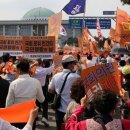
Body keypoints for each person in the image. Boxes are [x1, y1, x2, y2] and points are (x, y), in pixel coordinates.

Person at [65, 89, 130, 130]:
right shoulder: (124, 124)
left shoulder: (84, 125)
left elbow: (68, 125)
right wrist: (127, 101)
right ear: (115, 107)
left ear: (95, 108)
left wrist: (81, 107)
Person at [48, 55, 80, 130]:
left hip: (59, 109)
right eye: (73, 63)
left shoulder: (56, 76)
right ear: (69, 64)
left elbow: (50, 89)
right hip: (73, 110)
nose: (74, 65)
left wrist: (58, 92)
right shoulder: (76, 77)